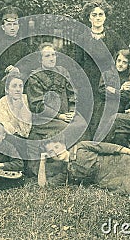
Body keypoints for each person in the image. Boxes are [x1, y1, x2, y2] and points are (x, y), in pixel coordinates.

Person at [26, 42, 88, 174]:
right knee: (67, 128)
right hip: (45, 119)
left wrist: (72, 111)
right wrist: (59, 116)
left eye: (53, 55)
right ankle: (62, 165)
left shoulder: (63, 72)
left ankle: (78, 160)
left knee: (82, 123)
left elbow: (72, 93)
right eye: (47, 55)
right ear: (40, 59)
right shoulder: (34, 77)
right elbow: (37, 105)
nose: (51, 58)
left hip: (66, 114)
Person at [75, 0, 127, 136]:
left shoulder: (113, 37)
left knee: (107, 116)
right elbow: (77, 63)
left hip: (108, 82)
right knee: (90, 116)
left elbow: (124, 56)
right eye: (94, 15)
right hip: (89, 83)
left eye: (100, 14)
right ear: (89, 18)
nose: (97, 18)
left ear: (105, 17)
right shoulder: (82, 38)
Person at [95, 49, 130, 141]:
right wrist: (119, 90)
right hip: (103, 108)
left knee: (115, 134)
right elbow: (102, 91)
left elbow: (126, 97)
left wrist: (112, 90)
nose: (120, 64)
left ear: (129, 65)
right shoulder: (107, 74)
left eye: (124, 62)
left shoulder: (129, 79)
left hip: (119, 110)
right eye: (119, 61)